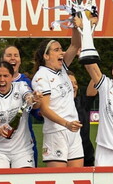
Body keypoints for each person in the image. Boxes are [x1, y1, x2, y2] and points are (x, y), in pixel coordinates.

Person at [31, 25, 83, 168]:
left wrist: (75, 26)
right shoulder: (41, 76)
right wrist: (66, 123)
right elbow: (45, 109)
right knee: (60, 181)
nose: (62, 52)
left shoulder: (62, 69)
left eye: (61, 49)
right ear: (46, 56)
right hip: (56, 132)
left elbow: (75, 44)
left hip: (73, 130)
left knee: (76, 180)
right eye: (56, 50)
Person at [0, 45, 39, 164]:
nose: (13, 58)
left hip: (23, 140)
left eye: (16, 55)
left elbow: (32, 103)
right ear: (2, 59)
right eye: (9, 55)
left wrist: (36, 101)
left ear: (20, 60)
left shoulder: (25, 82)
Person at [69, 70, 96, 167]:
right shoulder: (57, 105)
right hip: (63, 153)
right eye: (70, 83)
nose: (74, 86)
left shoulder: (82, 102)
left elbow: (96, 81)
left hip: (86, 153)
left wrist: (91, 62)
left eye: (75, 83)